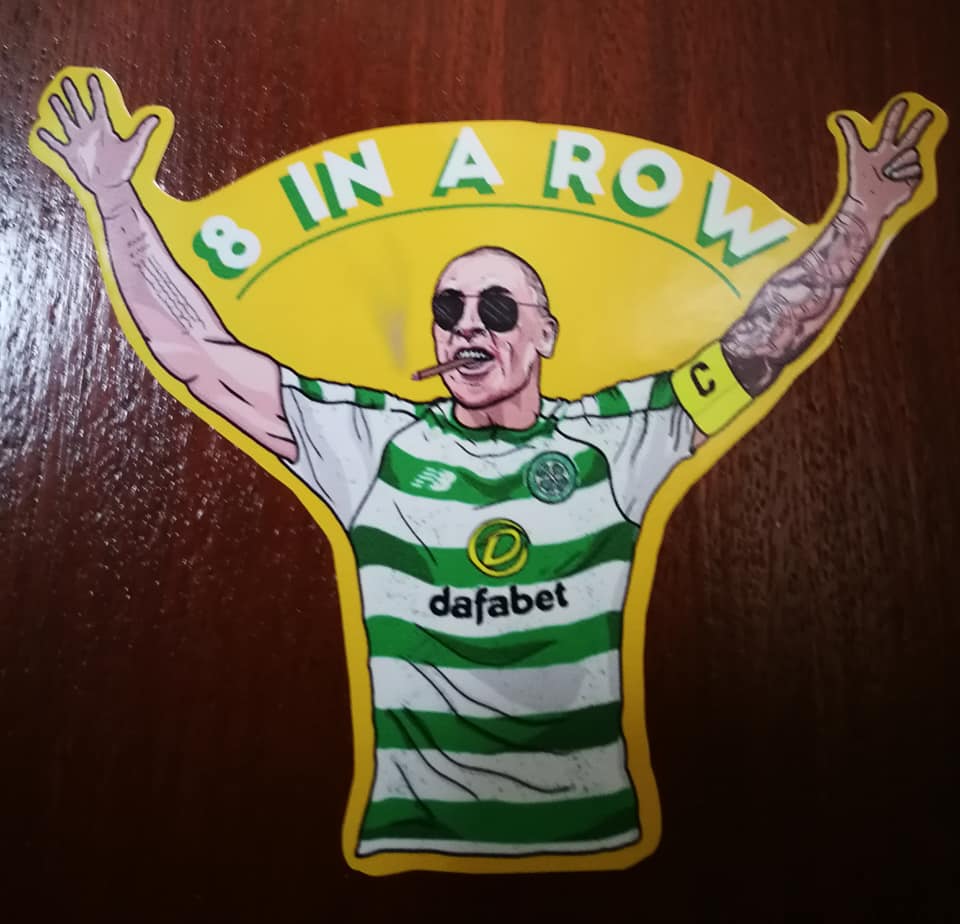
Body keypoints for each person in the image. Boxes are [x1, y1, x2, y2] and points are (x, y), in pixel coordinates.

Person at [38, 74, 932, 857]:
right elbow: (200, 352)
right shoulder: (374, 443)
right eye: (450, 309)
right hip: (411, 837)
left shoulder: (619, 437)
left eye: (498, 309)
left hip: (593, 835)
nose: (468, 326)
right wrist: (114, 199)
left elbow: (762, 342)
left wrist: (860, 216)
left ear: (545, 334)